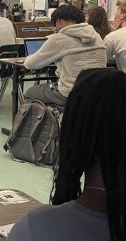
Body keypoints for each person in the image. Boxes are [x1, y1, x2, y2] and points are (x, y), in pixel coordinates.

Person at [8, 68, 125, 241]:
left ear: (72, 136)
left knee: (31, 92)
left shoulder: (37, 228)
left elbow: (33, 62)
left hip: (61, 89)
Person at [24, 5, 106, 106]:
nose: (55, 28)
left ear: (60, 21)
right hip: (97, 92)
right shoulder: (96, 36)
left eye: (55, 24)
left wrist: (55, 37)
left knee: (30, 93)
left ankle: (46, 121)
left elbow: (30, 64)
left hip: (70, 93)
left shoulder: (59, 39)